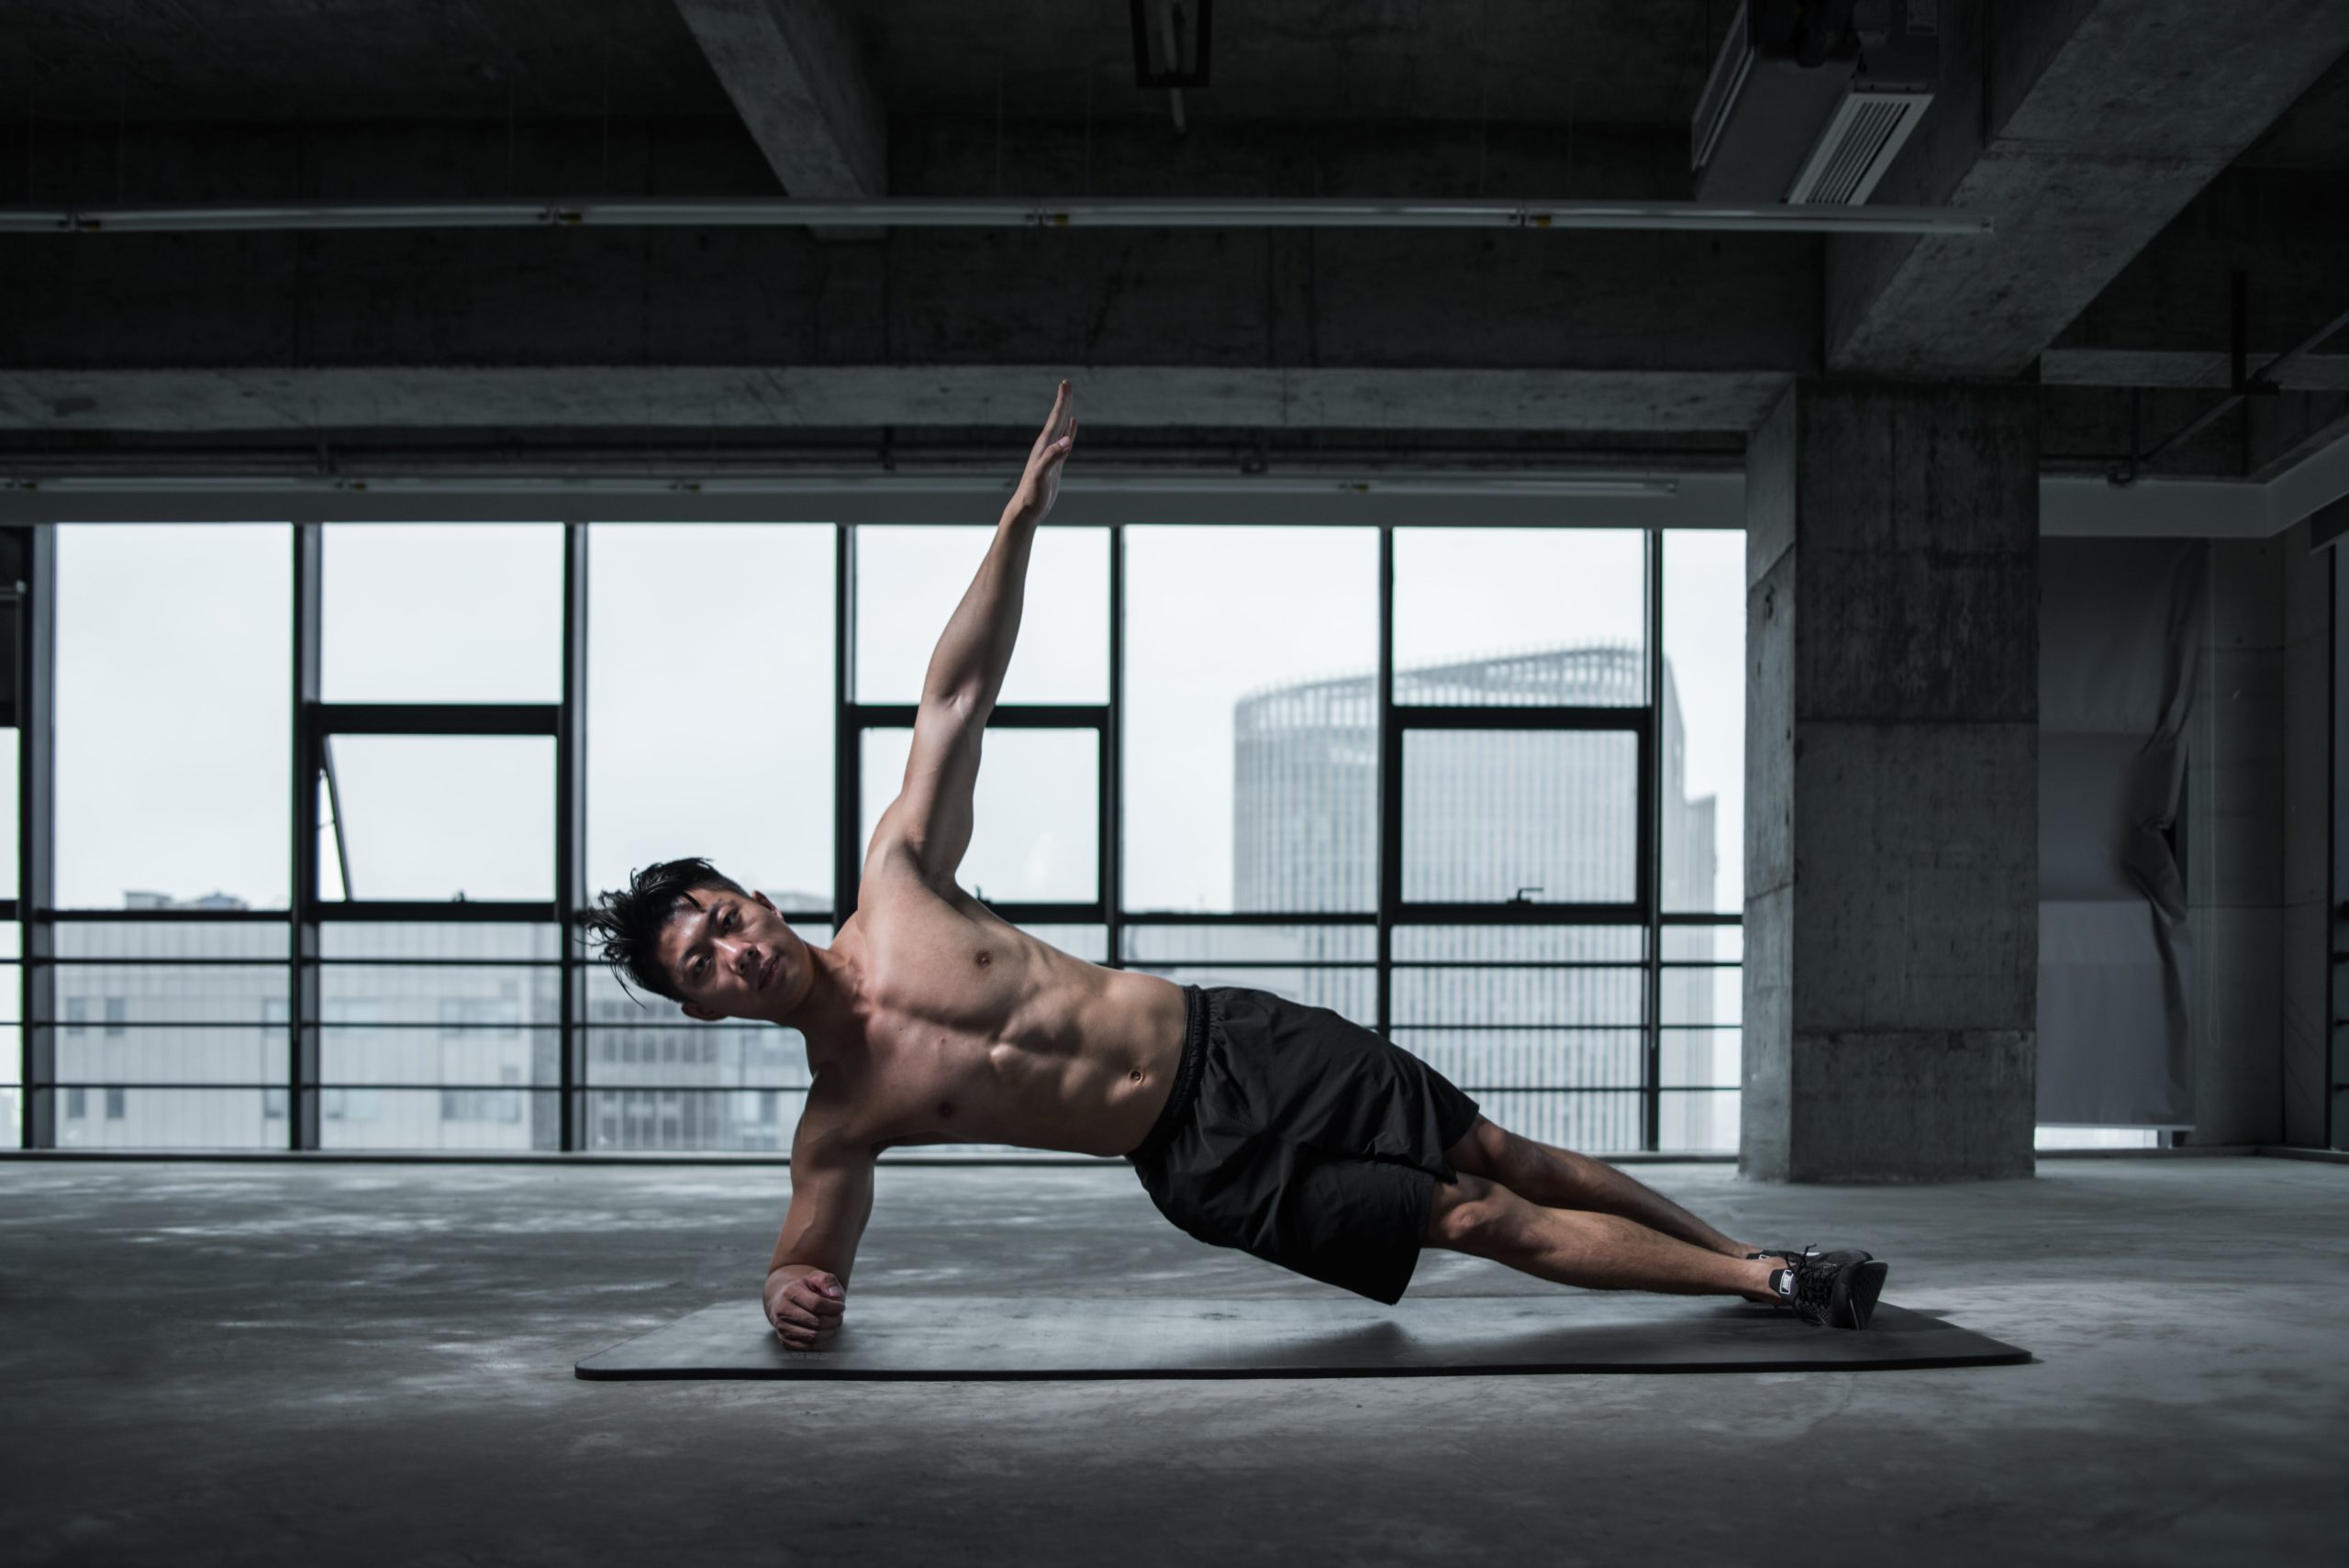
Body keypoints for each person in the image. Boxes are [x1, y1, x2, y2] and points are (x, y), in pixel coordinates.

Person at [585, 380, 1888, 1351]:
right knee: (1468, 1214)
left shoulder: (904, 880)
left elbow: (955, 695)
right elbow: (809, 1252)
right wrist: (781, 1290)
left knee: (1500, 1147)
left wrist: (1022, 514)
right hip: (1197, 1162)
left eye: (719, 916)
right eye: (704, 965)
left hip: (1237, 1039)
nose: (733, 948)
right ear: (707, 1009)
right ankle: (1764, 1283)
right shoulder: (841, 1116)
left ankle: (1765, 1258)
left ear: (752, 893)